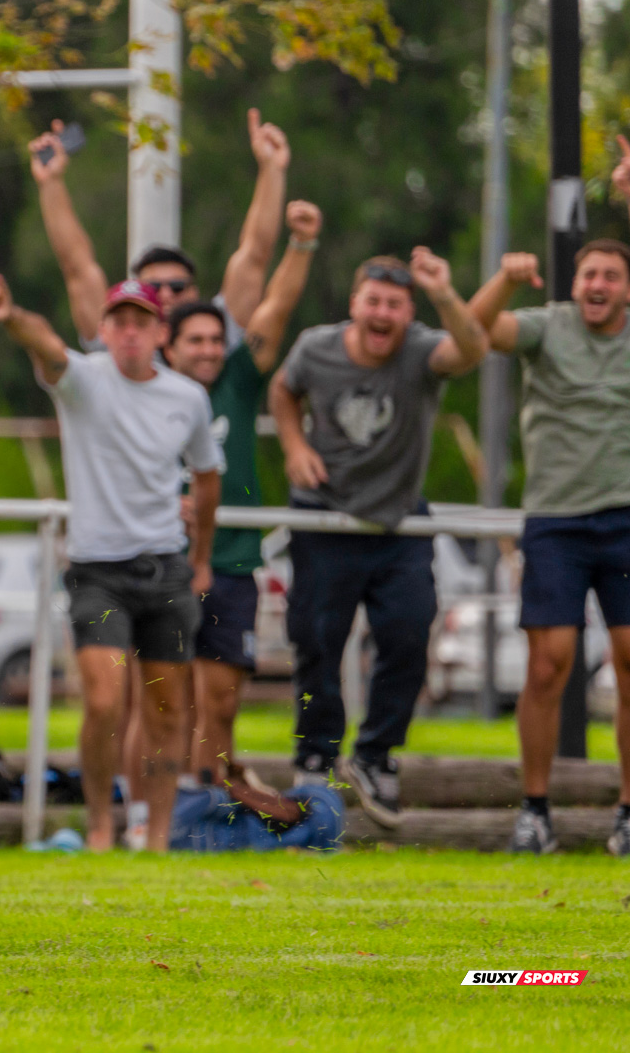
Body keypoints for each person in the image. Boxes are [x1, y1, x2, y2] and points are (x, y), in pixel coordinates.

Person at [0, 276, 222, 853]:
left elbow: (208, 479)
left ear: (162, 333)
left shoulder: (187, 398)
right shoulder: (83, 381)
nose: (130, 331)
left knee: (167, 709)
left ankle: (157, 836)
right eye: (120, 321)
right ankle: (99, 828)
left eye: (142, 321)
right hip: (97, 570)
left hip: (165, 568)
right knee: (105, 700)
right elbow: (45, 343)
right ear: (105, 331)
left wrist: (202, 558)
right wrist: (12, 314)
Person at [270, 248, 488, 827]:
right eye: (374, 301)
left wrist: (444, 292)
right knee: (316, 640)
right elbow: (282, 391)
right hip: (325, 517)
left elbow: (471, 349)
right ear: (354, 304)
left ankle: (375, 755)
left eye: (395, 304)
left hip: (398, 521)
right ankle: (315, 756)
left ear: (408, 311)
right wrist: (294, 446)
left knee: (408, 633)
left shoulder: (419, 349)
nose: (383, 314)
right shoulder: (316, 347)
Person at [467, 234, 630, 857]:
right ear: (575, 282)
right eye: (589, 274)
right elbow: (473, 329)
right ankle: (535, 812)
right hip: (557, 519)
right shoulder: (547, 326)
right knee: (546, 664)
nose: (596, 285)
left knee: (628, 665)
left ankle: (626, 814)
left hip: (624, 518)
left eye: (610, 276)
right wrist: (506, 277)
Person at [162, 201, 321, 789]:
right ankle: (165, 801)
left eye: (213, 339)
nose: (206, 350)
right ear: (168, 345)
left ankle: (212, 793)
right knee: (167, 695)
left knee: (222, 701)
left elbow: (274, 306)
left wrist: (301, 245)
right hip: (162, 564)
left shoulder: (236, 378)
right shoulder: (147, 392)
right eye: (193, 340)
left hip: (230, 561)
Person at [30, 108, 290, 349]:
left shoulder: (215, 338)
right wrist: (51, 182)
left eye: (177, 286)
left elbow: (256, 255)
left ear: (195, 292)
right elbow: (76, 267)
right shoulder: (117, 343)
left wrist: (272, 169)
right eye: (153, 288)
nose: (165, 296)